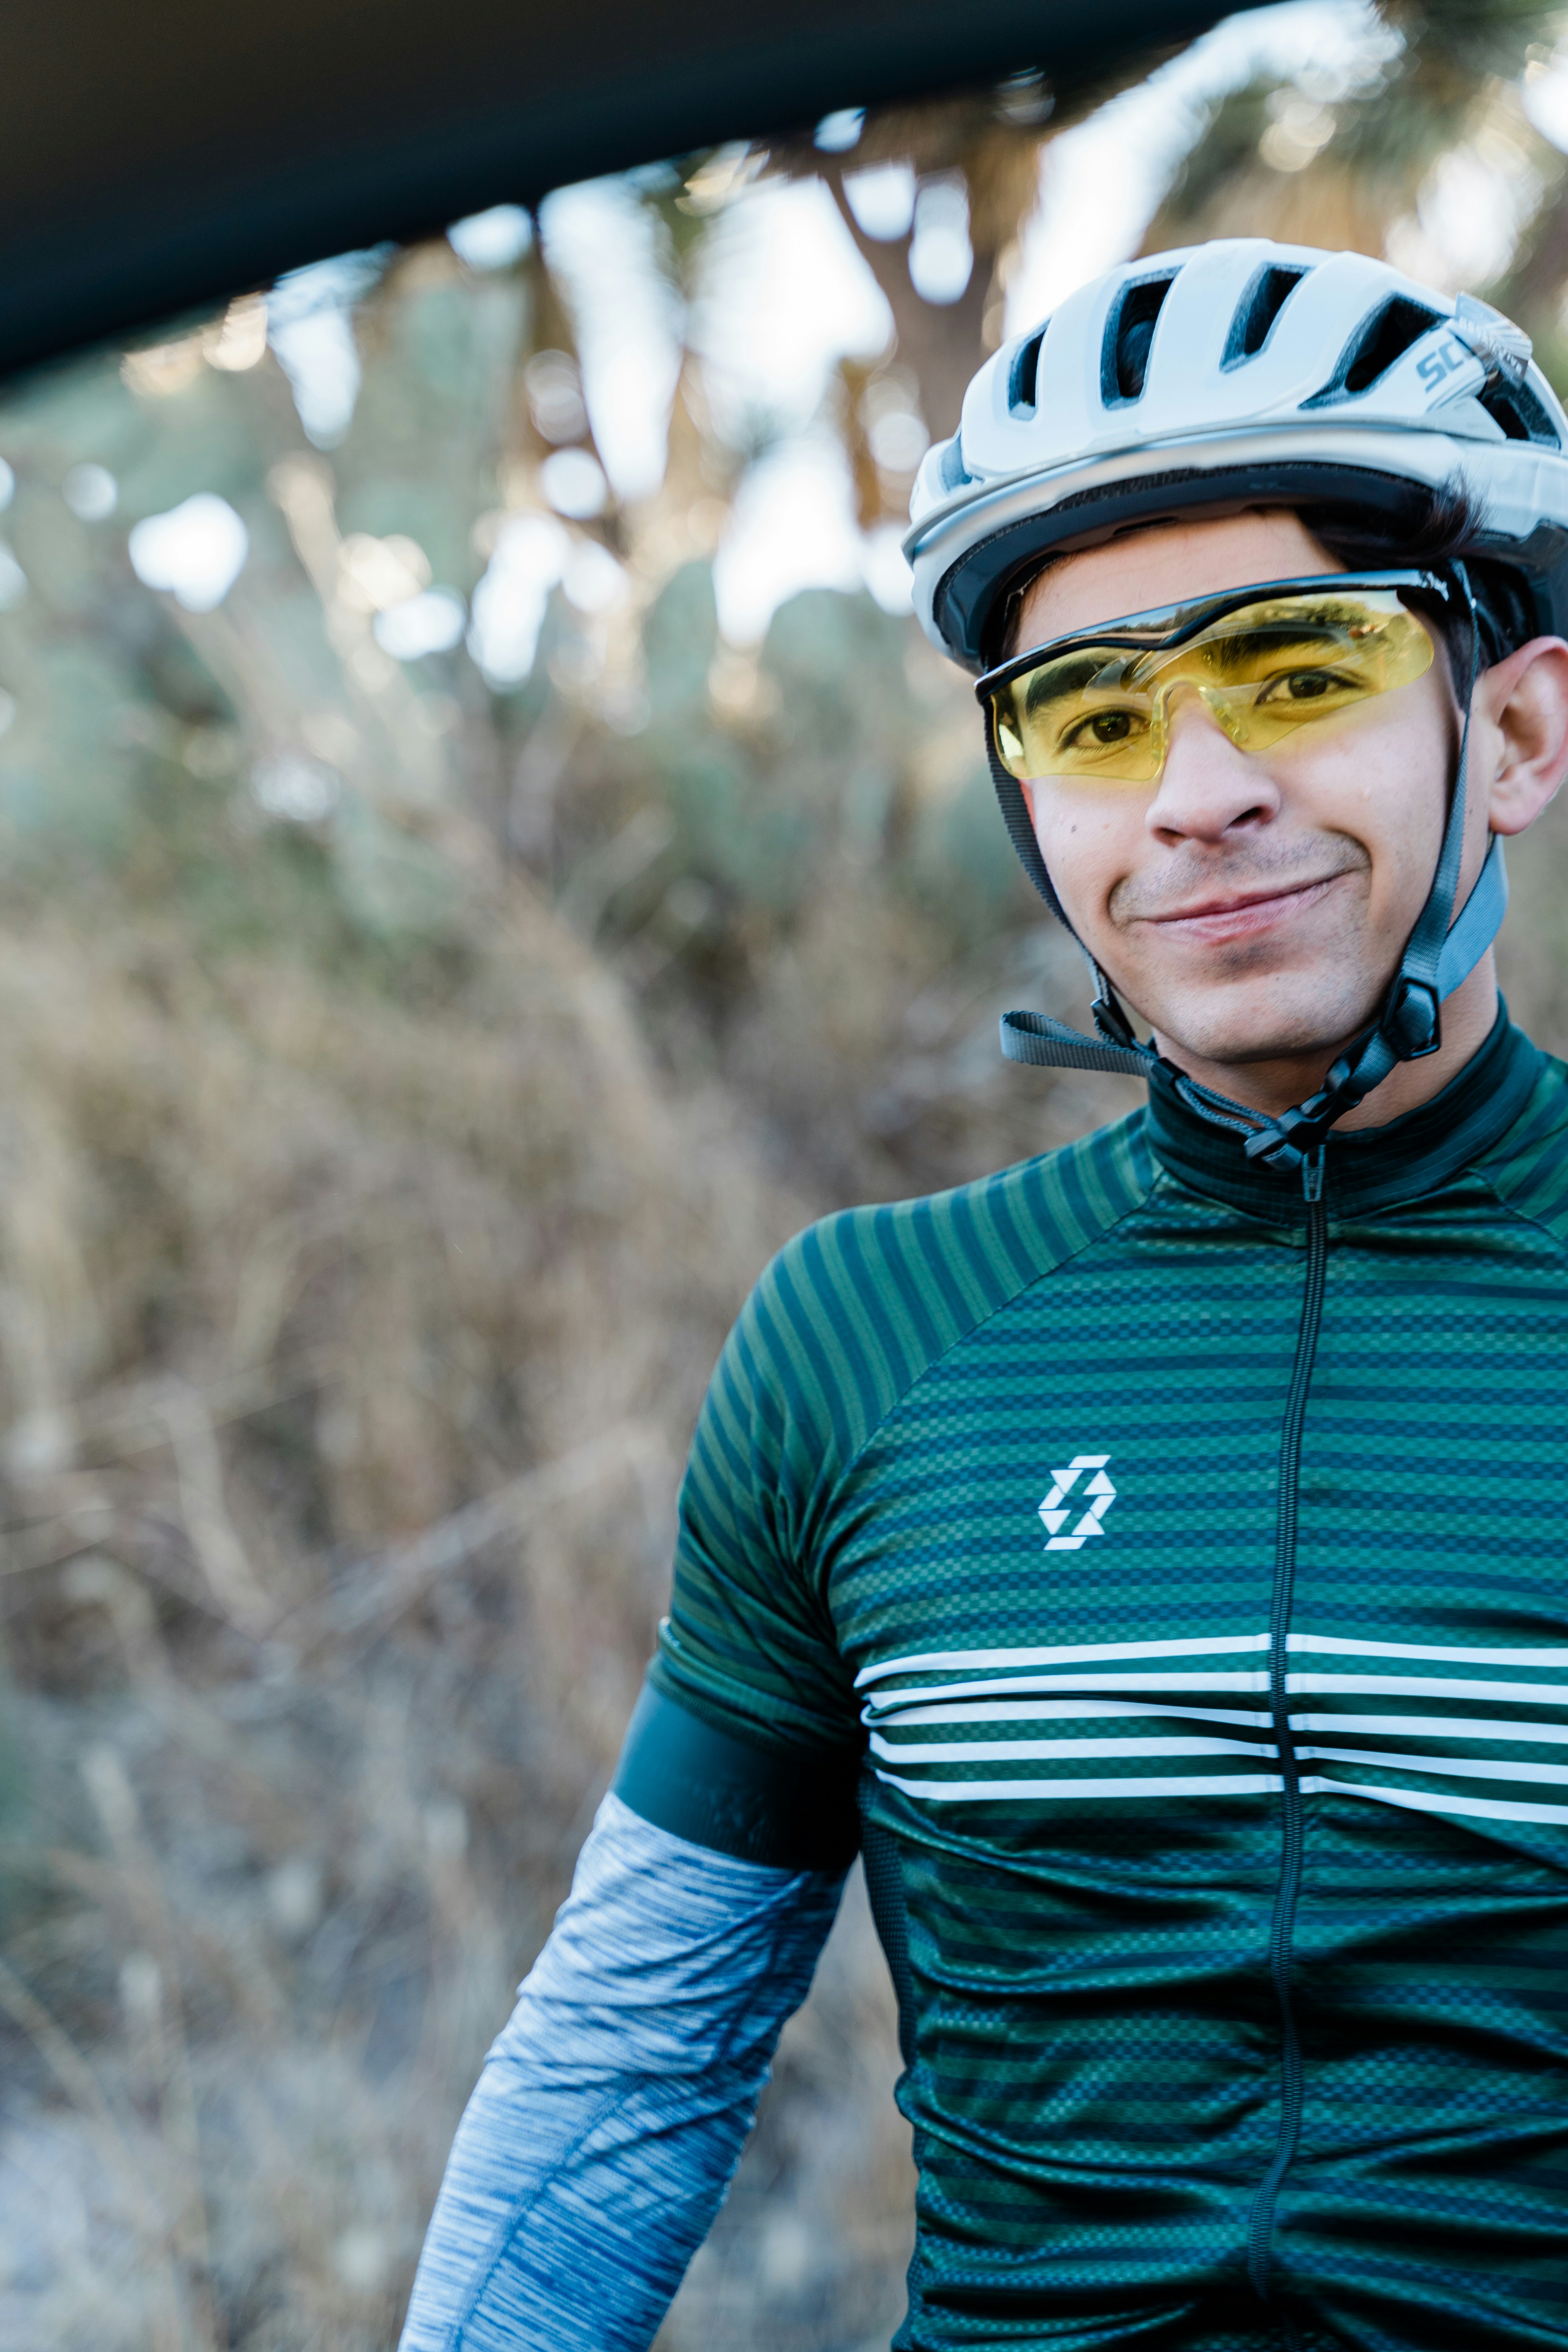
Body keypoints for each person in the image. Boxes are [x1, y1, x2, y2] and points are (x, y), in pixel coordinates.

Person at [399, 240, 1568, 2352]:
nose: (1199, 796)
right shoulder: (869, 1334)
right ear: (1028, 798)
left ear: (1514, 728)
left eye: (1301, 672)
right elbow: (631, 2061)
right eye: (1098, 716)